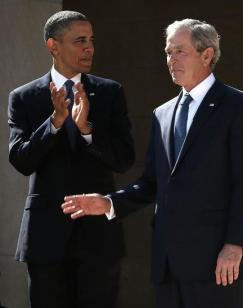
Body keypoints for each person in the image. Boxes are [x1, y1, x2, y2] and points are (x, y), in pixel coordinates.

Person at [61, 18, 243, 308]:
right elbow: (152, 183)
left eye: (179, 51)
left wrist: (235, 244)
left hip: (215, 261)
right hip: (167, 262)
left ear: (207, 55)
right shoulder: (162, 114)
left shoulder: (238, 107)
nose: (171, 60)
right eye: (168, 53)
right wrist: (108, 203)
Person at [7, 10, 134, 308]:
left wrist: (86, 129)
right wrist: (54, 122)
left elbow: (124, 159)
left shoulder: (110, 92)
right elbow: (22, 161)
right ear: (53, 46)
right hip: (45, 238)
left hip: (99, 239)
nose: (89, 47)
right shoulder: (24, 97)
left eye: (91, 40)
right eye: (79, 41)